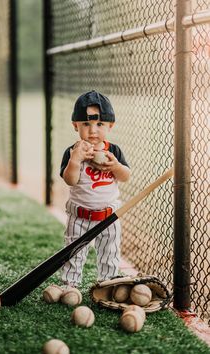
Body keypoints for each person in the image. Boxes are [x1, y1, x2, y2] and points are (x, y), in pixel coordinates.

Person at [60, 90, 130, 288]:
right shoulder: (73, 151)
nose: (93, 131)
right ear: (76, 126)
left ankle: (107, 285)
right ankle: (70, 286)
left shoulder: (113, 151)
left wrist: (115, 167)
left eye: (99, 124)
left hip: (108, 216)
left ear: (110, 125)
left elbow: (125, 176)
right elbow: (70, 180)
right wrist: (75, 160)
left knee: (110, 253)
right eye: (86, 124)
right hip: (79, 216)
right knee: (74, 252)